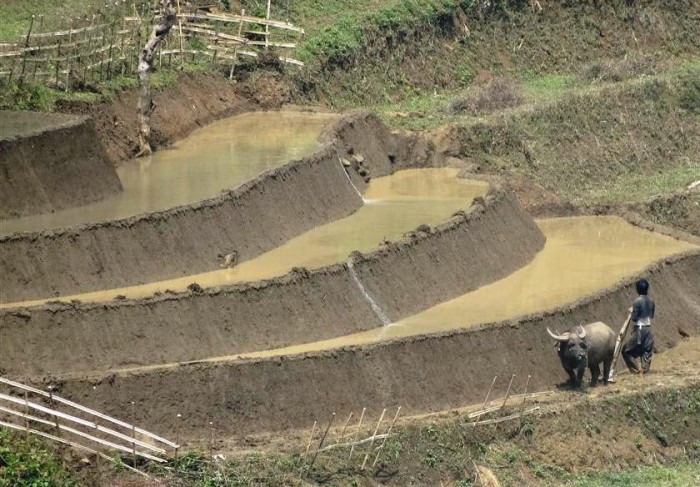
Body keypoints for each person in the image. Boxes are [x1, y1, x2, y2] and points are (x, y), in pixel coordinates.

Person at [622, 278, 655, 374]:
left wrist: (631, 311)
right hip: (648, 329)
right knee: (646, 350)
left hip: (640, 329)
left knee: (626, 351)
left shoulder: (637, 301)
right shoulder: (651, 301)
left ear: (637, 290)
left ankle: (636, 371)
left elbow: (635, 318)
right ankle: (645, 370)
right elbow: (652, 316)